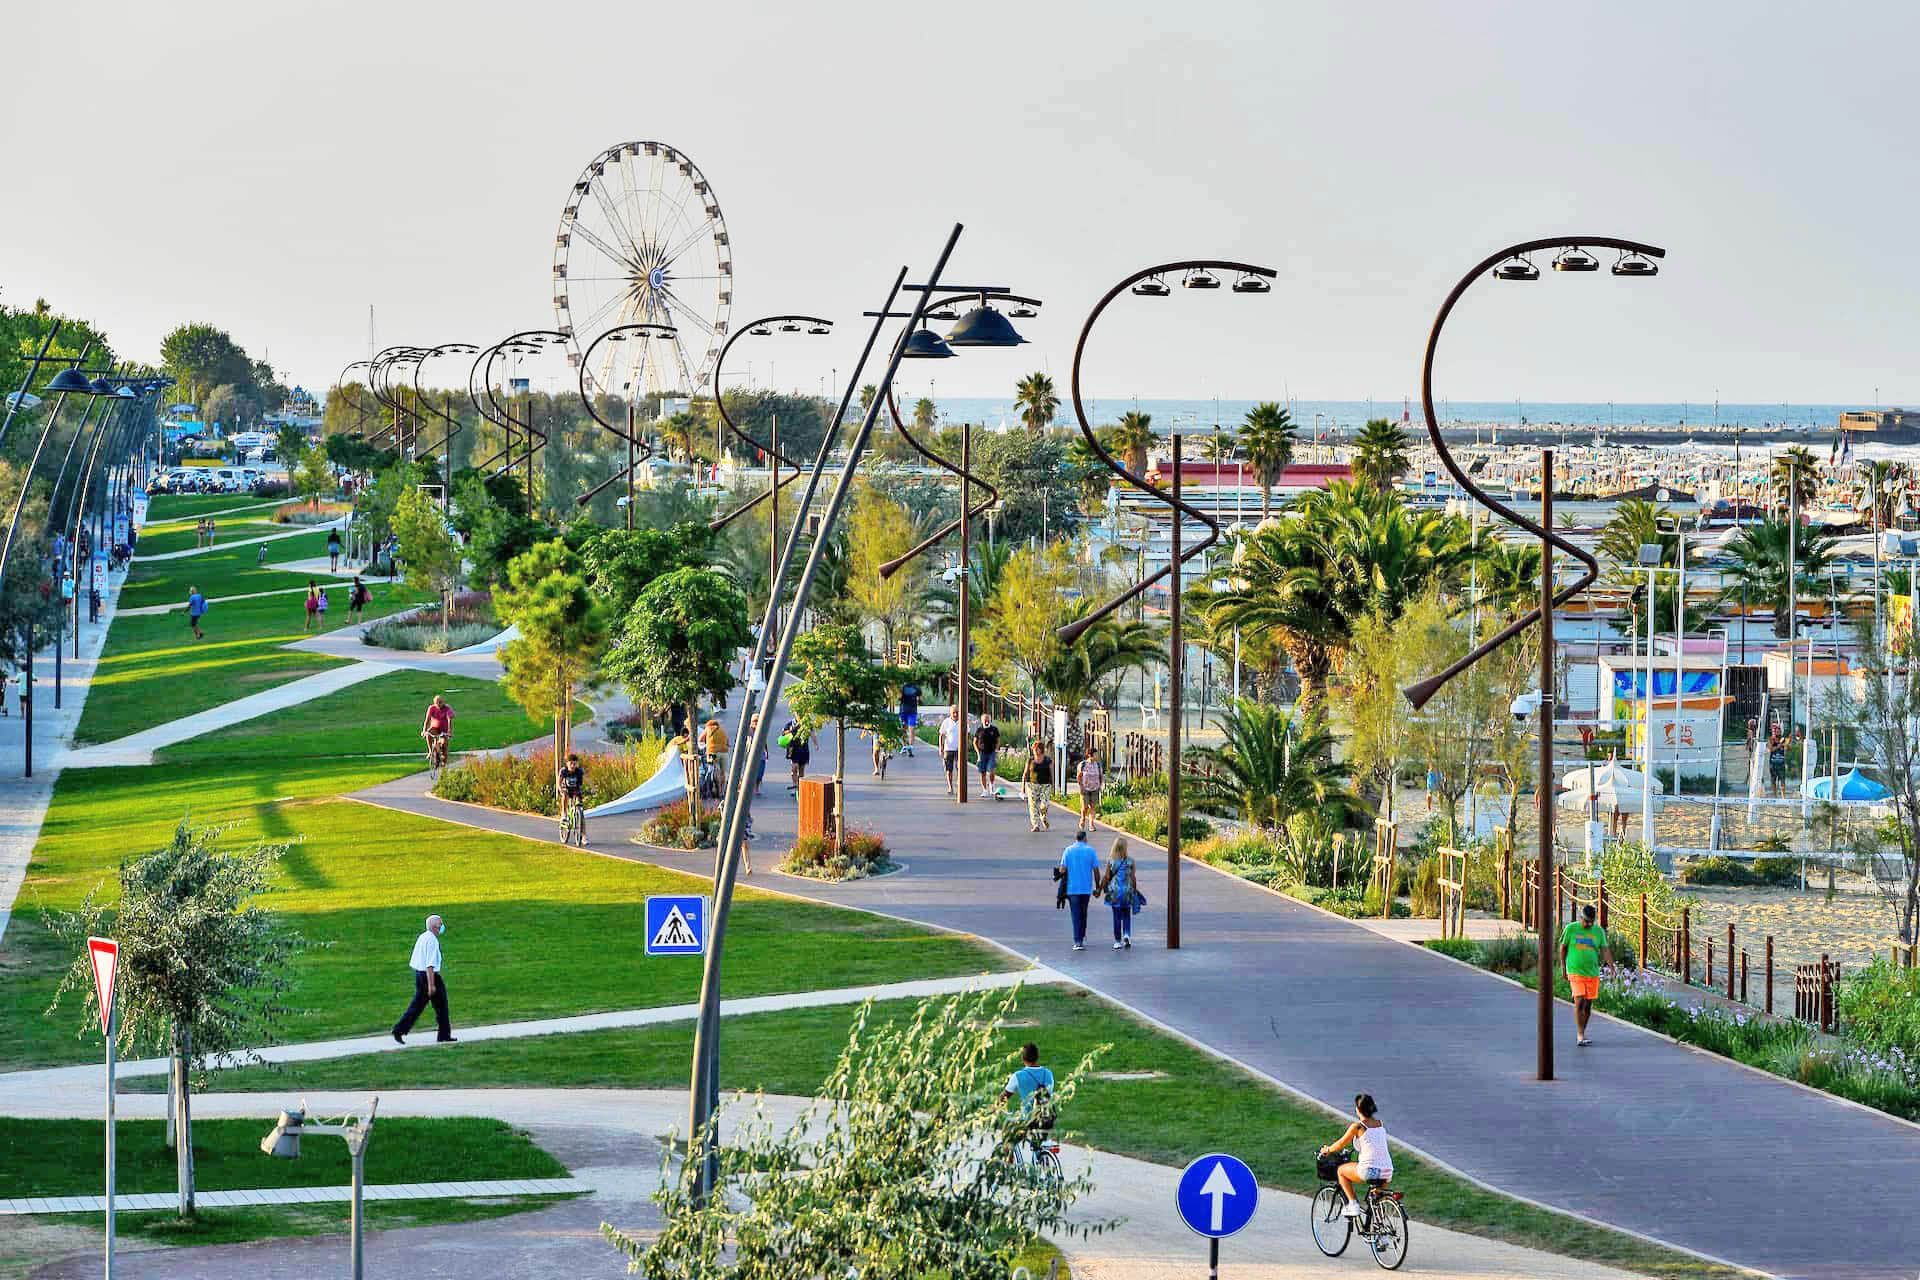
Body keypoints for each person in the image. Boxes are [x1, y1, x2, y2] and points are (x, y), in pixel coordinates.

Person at [1318, 1094, 1392, 1218]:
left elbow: (1341, 1143)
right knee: (1375, 1200)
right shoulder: (1380, 1124)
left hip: (1369, 1170)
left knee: (1341, 1171)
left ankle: (1353, 1205)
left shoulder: (1358, 1127)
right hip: (1387, 1171)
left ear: (1358, 1109)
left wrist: (1328, 1150)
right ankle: (1378, 1230)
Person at [391, 914, 455, 1044]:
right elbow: (430, 965)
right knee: (441, 1006)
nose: (442, 927)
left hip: (420, 975)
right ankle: (444, 1035)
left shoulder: (423, 937)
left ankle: (399, 1029)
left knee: (417, 1005)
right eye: (440, 924)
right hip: (430, 977)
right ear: (434, 927)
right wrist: (431, 985)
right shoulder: (432, 940)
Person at [1559, 903, 1614, 1047]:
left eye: (1590, 922)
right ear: (1580, 917)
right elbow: (1563, 948)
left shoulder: (1598, 931)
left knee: (1588, 1006)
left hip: (1592, 972)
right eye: (1585, 921)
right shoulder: (1571, 928)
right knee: (1579, 1002)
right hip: (1575, 971)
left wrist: (1612, 967)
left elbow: (1605, 949)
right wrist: (1563, 968)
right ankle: (1580, 1035)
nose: (1588, 924)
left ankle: (1582, 1031)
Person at [1059, 828, 1099, 951]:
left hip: (1072, 888)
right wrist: (1098, 887)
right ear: (1085, 838)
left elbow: (1062, 869)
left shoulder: (1068, 850)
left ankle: (1078, 941)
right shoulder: (1090, 850)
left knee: (1075, 914)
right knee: (1083, 913)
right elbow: (1096, 871)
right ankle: (1081, 935)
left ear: (1076, 838)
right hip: (1086, 888)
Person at [1098, 835, 1138, 949]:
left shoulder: (1111, 861)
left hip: (1115, 892)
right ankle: (1126, 935)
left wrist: (1100, 889)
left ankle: (1117, 940)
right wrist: (1134, 890)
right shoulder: (1130, 861)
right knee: (1126, 914)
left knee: (1116, 916)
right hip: (1127, 891)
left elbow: (1106, 877)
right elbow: (1133, 878)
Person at [1023, 740, 1054, 832]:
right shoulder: (1030, 760)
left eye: (1037, 749)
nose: (1035, 751)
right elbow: (1025, 773)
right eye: (1034, 749)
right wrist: (1023, 788)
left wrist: (1054, 785)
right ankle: (1035, 825)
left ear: (1041, 750)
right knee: (1032, 806)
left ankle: (1043, 817)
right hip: (1032, 785)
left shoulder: (1048, 760)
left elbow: (1052, 773)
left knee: (1044, 805)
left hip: (1046, 785)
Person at [558, 751, 587, 842]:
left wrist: (593, 788)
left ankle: (583, 836)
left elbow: (587, 779)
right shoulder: (563, 771)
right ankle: (564, 813)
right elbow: (559, 782)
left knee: (581, 812)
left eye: (575, 764)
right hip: (566, 789)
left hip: (576, 790)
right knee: (565, 794)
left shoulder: (579, 771)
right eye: (571, 764)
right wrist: (560, 789)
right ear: (567, 764)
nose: (573, 766)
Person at [974, 713, 1002, 798]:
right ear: (982, 721)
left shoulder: (994, 729)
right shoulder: (979, 730)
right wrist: (978, 754)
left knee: (991, 770)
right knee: (982, 772)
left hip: (991, 752)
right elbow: (974, 742)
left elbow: (998, 740)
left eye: (988, 719)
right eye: (985, 719)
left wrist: (996, 750)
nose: (986, 721)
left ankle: (991, 785)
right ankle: (984, 790)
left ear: (990, 720)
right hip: (982, 753)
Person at [422, 694, 454, 764]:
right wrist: (424, 730)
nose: (438, 704)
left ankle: (444, 762)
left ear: (443, 702)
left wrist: (449, 731)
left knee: (444, 744)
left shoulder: (447, 708)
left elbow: (450, 720)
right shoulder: (431, 708)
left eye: (440, 702)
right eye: (437, 703)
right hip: (435, 728)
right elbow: (427, 720)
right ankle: (430, 751)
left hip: (444, 730)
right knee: (428, 733)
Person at [701, 717, 730, 793]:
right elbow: (727, 742)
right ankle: (722, 791)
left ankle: (718, 789)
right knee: (723, 772)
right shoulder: (722, 730)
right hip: (724, 752)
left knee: (716, 770)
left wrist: (708, 742)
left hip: (713, 752)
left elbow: (700, 739)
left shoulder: (708, 729)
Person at [1076, 751, 1104, 825]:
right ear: (1089, 755)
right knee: (1085, 807)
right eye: (1095, 754)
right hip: (1085, 788)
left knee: (1093, 807)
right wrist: (1081, 786)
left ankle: (1091, 824)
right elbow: (1079, 776)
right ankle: (1083, 818)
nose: (1097, 756)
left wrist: (1100, 785)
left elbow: (1101, 776)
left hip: (1095, 788)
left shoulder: (1098, 765)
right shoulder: (1083, 764)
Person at [783, 720, 811, 792]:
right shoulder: (790, 723)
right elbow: (783, 733)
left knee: (801, 770)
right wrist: (792, 729)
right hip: (794, 749)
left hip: (804, 749)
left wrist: (816, 743)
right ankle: (795, 785)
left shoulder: (806, 723)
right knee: (794, 768)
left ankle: (800, 787)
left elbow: (812, 732)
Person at [939, 711, 962, 796]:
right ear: (950, 713)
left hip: (960, 749)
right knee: (949, 770)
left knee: (960, 768)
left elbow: (967, 734)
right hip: (948, 749)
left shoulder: (962, 720)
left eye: (957, 712)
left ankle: (959, 784)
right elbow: (941, 735)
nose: (955, 714)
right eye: (954, 712)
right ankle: (950, 787)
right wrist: (941, 747)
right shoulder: (946, 722)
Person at [897, 680, 921, 757]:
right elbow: (899, 697)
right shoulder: (903, 687)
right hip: (903, 711)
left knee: (911, 729)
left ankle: (910, 746)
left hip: (912, 712)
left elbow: (919, 696)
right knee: (903, 729)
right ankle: (905, 746)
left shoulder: (915, 687)